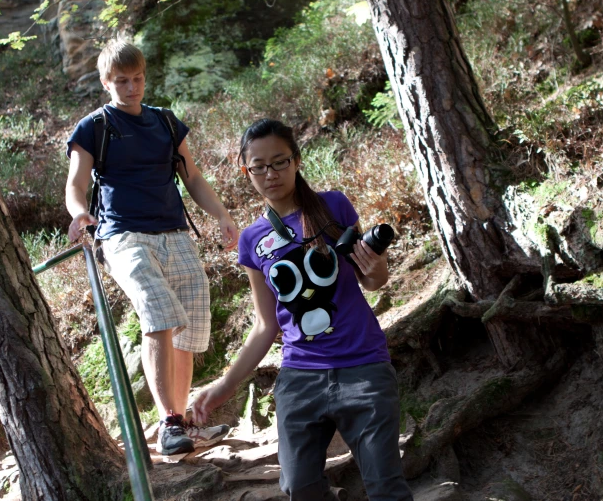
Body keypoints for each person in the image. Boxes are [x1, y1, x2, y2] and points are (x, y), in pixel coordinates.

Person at [192, 118, 413, 500]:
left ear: (296, 160)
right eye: (258, 166)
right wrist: (223, 387)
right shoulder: (251, 240)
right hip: (300, 377)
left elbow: (373, 280)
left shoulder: (334, 206)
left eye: (279, 162)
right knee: (299, 487)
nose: (270, 173)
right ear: (246, 171)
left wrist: (376, 267)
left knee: (384, 484)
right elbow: (265, 326)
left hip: (363, 365)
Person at [65, 39, 239, 456]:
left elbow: (192, 177)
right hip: (123, 236)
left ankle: (182, 424)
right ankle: (167, 424)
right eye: (122, 81)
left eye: (138, 78)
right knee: (159, 313)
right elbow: (76, 183)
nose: (132, 88)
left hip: (175, 233)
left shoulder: (164, 122)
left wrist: (221, 214)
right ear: (107, 83)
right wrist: (78, 213)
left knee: (190, 325)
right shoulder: (95, 127)